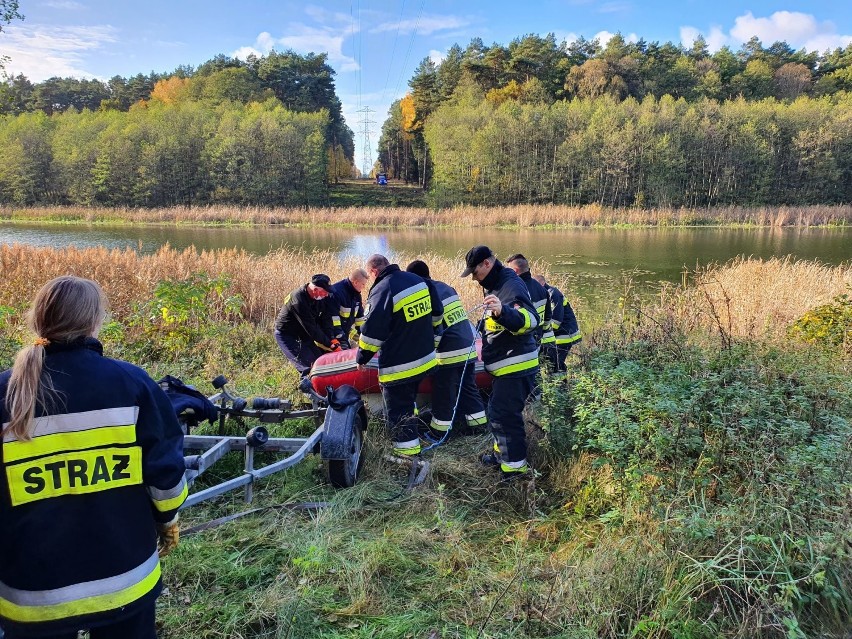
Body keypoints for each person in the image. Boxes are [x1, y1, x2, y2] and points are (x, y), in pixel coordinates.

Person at [0, 276, 187, 639]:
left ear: (39, 319)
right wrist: (167, 522)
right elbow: (165, 475)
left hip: (32, 592)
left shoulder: (4, 392)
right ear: (93, 321)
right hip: (125, 578)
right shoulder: (130, 383)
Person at [461, 246, 539, 480]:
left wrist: (502, 312)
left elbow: (530, 320)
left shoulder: (510, 285)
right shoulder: (494, 285)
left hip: (515, 366)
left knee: (505, 417)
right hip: (504, 367)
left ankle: (514, 471)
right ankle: (500, 457)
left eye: (475, 272)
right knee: (496, 413)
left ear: (487, 263)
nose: (473, 278)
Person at [356, 254, 442, 457]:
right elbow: (437, 314)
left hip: (400, 366)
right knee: (409, 403)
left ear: (374, 271)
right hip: (425, 360)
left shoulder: (383, 289)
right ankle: (412, 440)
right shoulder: (418, 281)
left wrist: (362, 358)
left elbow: (373, 332)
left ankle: (407, 455)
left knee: (398, 411)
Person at [406, 260, 487, 437]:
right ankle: (478, 427)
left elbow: (432, 328)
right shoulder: (446, 287)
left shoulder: (423, 292)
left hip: (450, 352)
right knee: (468, 388)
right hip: (469, 346)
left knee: (444, 393)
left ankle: (439, 433)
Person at [273, 274, 339, 377]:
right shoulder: (298, 300)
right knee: (308, 367)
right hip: (287, 335)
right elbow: (312, 328)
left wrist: (331, 338)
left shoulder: (320, 298)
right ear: (315, 290)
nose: (326, 295)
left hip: (303, 333)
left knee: (320, 361)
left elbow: (326, 319)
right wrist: (330, 345)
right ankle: (307, 390)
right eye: (325, 292)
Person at [534, 274, 582, 372]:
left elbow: (556, 321)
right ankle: (558, 383)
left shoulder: (553, 294)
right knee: (551, 362)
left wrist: (541, 332)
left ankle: (561, 385)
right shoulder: (544, 294)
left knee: (556, 364)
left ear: (542, 284)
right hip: (555, 336)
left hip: (564, 335)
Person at [506, 253, 553, 350]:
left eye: (508, 270)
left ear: (515, 271)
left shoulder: (515, 290)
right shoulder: (542, 289)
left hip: (522, 343)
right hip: (537, 340)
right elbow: (548, 317)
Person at [327, 269, 369, 348]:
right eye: (363, 284)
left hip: (345, 332)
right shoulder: (336, 293)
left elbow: (359, 319)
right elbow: (333, 320)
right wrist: (341, 339)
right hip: (332, 336)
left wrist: (363, 336)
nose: (364, 287)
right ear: (356, 282)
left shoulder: (357, 295)